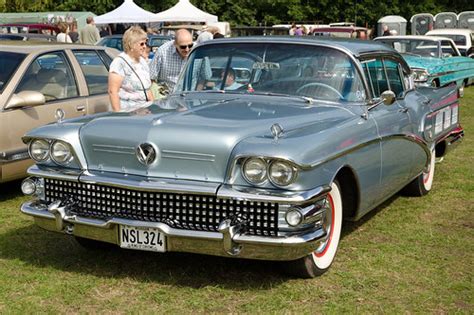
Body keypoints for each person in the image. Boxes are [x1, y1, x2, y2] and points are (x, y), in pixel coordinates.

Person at [108, 26, 153, 112]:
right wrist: (118, 114)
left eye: (145, 43)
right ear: (131, 45)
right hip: (128, 113)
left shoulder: (142, 62)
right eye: (141, 44)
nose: (144, 47)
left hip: (145, 112)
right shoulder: (119, 63)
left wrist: (152, 106)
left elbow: (147, 89)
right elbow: (113, 91)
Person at [149, 29, 194, 95]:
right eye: (183, 47)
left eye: (190, 46)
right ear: (175, 44)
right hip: (166, 96)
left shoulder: (197, 50)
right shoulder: (162, 52)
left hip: (191, 96)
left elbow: (204, 77)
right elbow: (151, 78)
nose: (187, 49)